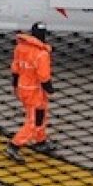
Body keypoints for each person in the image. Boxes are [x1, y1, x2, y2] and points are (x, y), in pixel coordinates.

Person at [6, 23, 55, 164]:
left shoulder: (21, 47)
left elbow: (15, 68)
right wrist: (50, 89)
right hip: (35, 90)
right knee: (34, 120)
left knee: (40, 113)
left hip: (23, 87)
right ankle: (14, 145)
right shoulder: (42, 54)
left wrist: (15, 85)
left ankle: (40, 140)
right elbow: (44, 76)